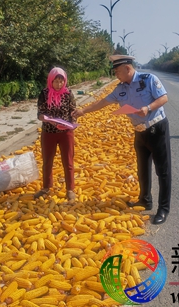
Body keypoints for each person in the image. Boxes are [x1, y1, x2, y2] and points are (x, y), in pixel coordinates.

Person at [72, 55, 171, 225]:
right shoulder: (120, 89)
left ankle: (163, 208)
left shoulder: (148, 80)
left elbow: (164, 98)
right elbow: (103, 102)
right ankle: (145, 200)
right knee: (142, 168)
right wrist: (83, 111)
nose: (115, 74)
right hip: (139, 131)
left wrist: (148, 108)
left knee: (162, 171)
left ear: (127, 68)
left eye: (117, 71)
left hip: (157, 128)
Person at [34, 67, 77, 200]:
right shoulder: (44, 93)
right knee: (47, 161)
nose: (59, 84)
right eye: (56, 81)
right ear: (50, 81)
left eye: (61, 82)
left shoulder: (68, 93)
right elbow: (40, 114)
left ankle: (70, 189)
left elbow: (73, 111)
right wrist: (48, 120)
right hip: (49, 132)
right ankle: (46, 187)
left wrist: (73, 122)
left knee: (68, 161)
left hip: (66, 133)